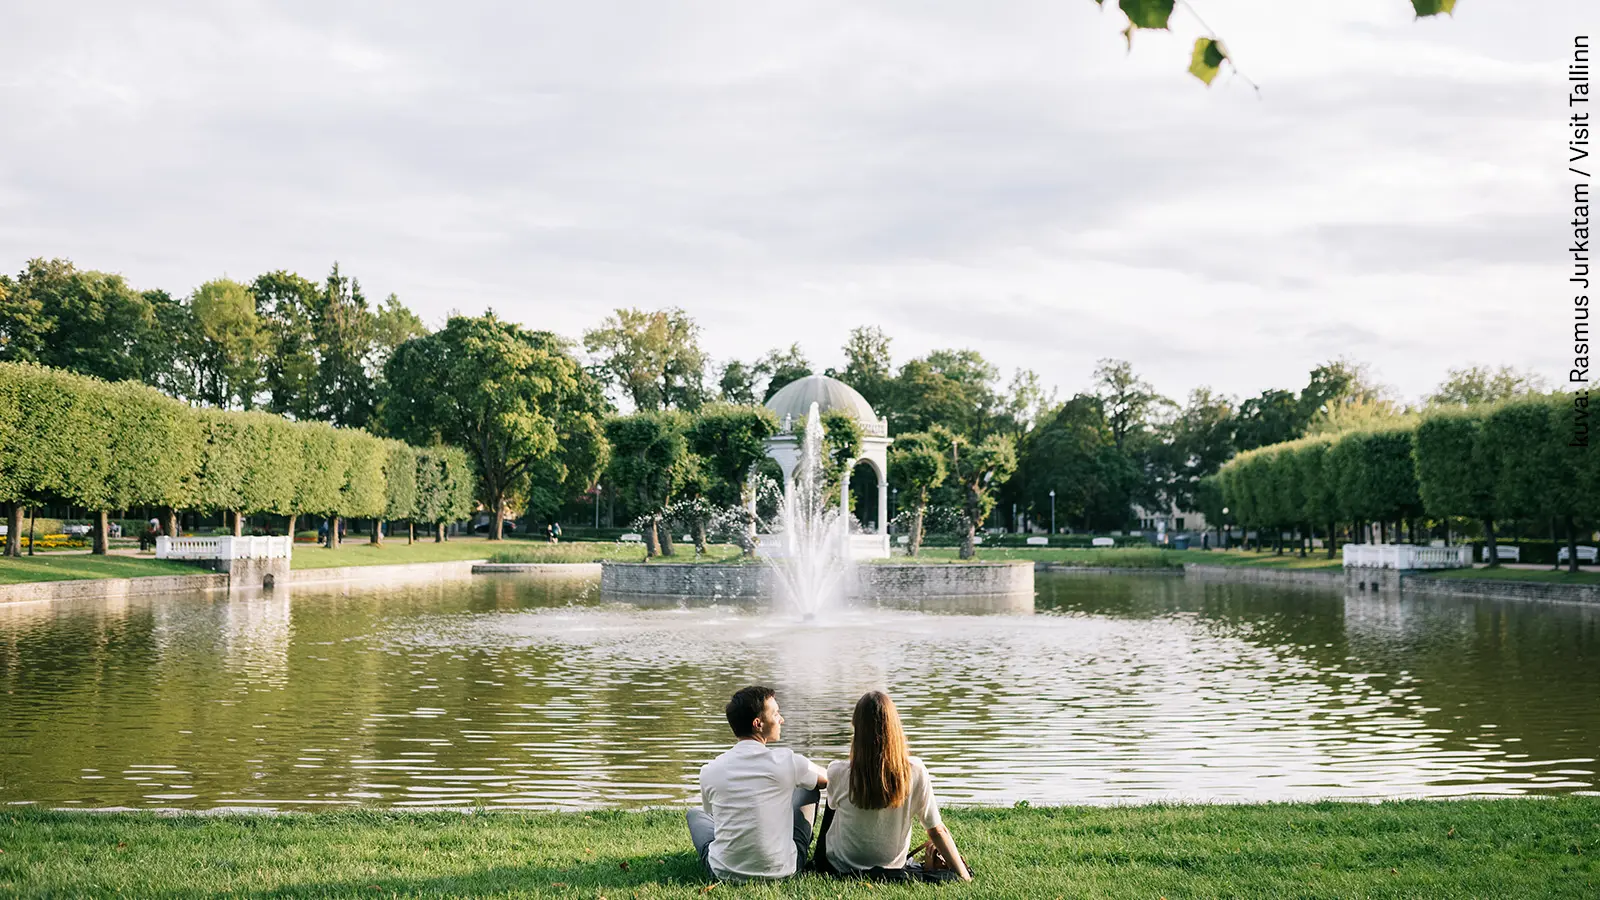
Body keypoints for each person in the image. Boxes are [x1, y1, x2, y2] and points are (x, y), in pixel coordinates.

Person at [819, 691, 970, 881]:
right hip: (892, 867)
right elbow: (936, 830)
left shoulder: (837, 771)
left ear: (856, 728)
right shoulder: (915, 770)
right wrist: (964, 875)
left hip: (843, 866)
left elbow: (832, 809)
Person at [688, 686, 827, 882]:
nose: (781, 719)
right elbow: (826, 779)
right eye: (776, 713)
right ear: (758, 723)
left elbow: (711, 814)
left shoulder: (710, 770)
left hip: (724, 871)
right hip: (783, 869)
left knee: (695, 814)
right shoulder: (788, 761)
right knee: (810, 786)